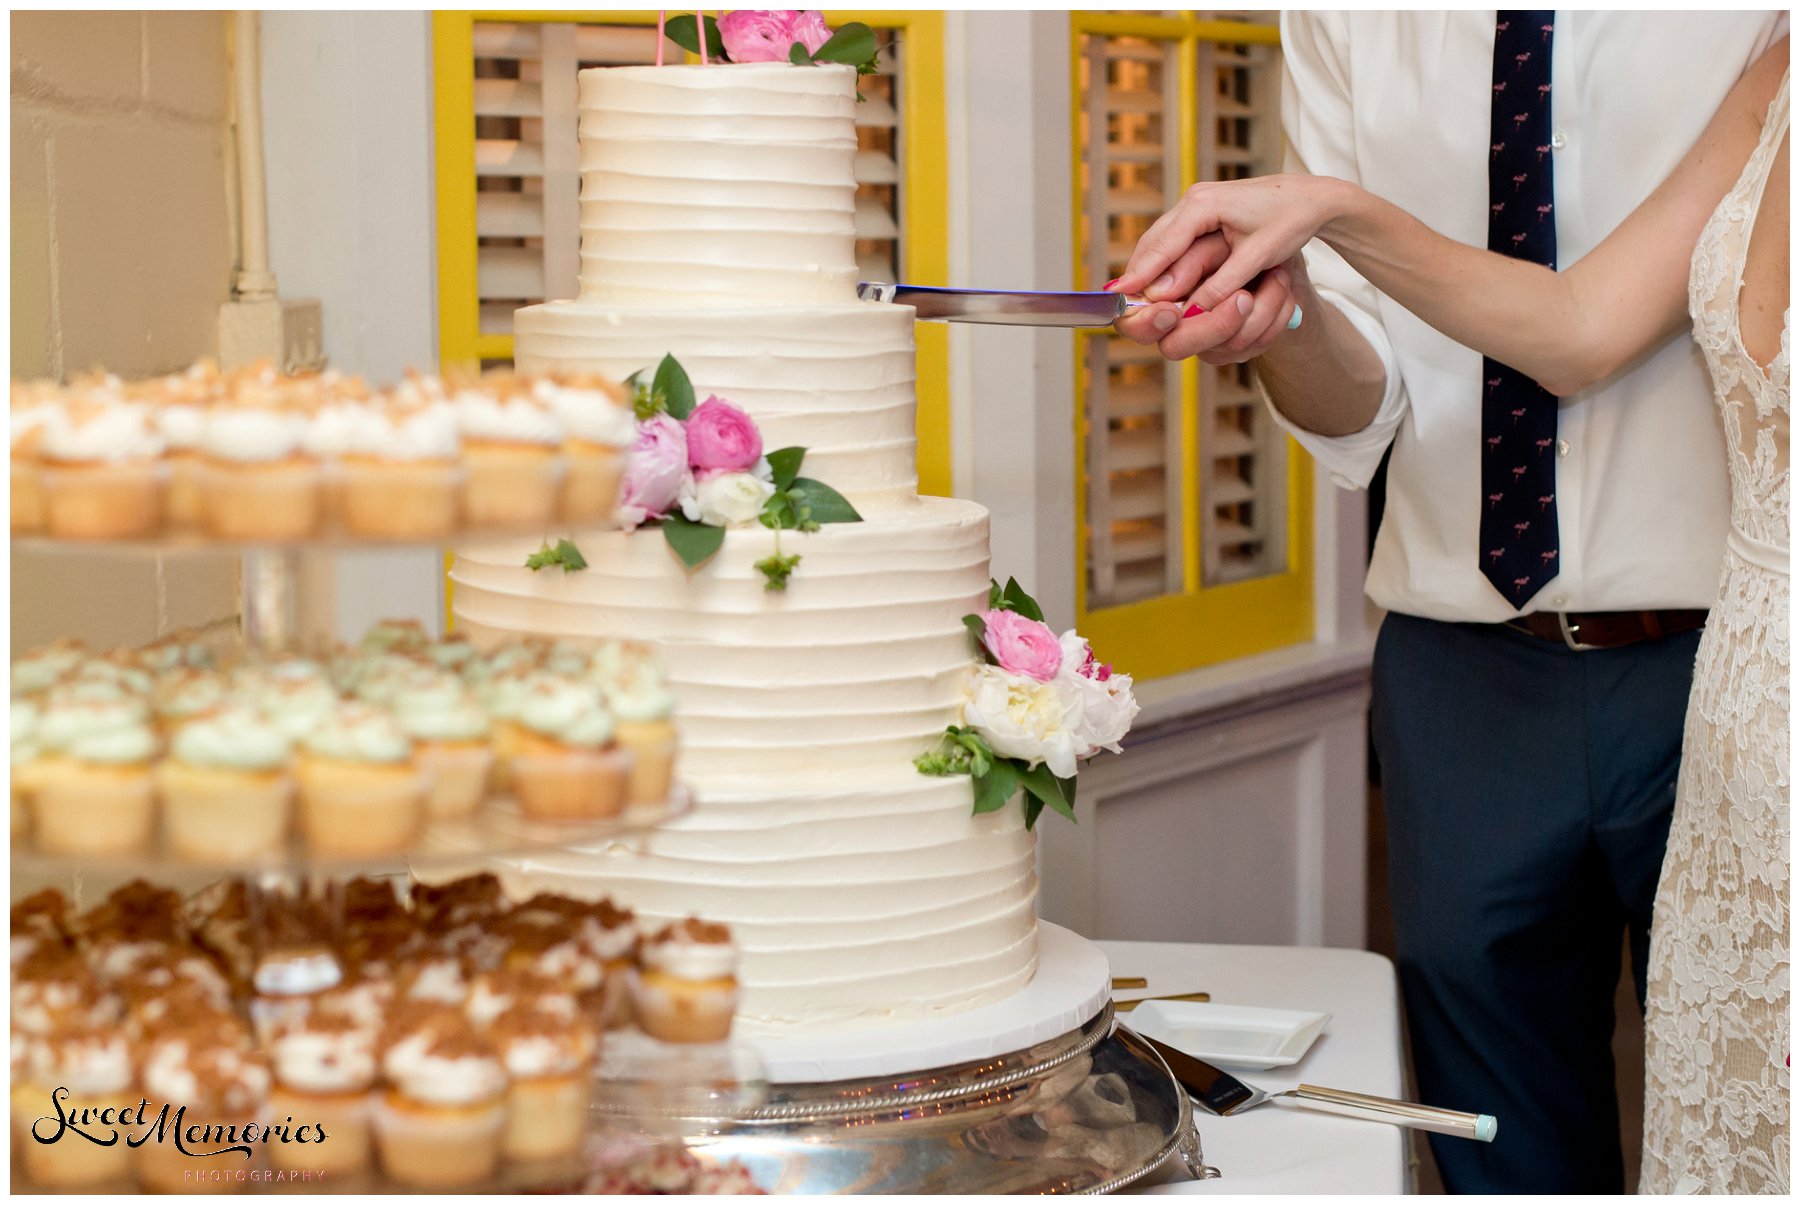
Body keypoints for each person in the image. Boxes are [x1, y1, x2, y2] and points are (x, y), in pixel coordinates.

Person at [1110, 12, 1788, 1194]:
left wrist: (1332, 210)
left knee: (1744, 1102)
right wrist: (1282, 321)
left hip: (1729, 657)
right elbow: (1352, 384)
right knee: (1496, 1145)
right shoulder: (1336, 16)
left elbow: (1581, 328)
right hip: (1462, 667)